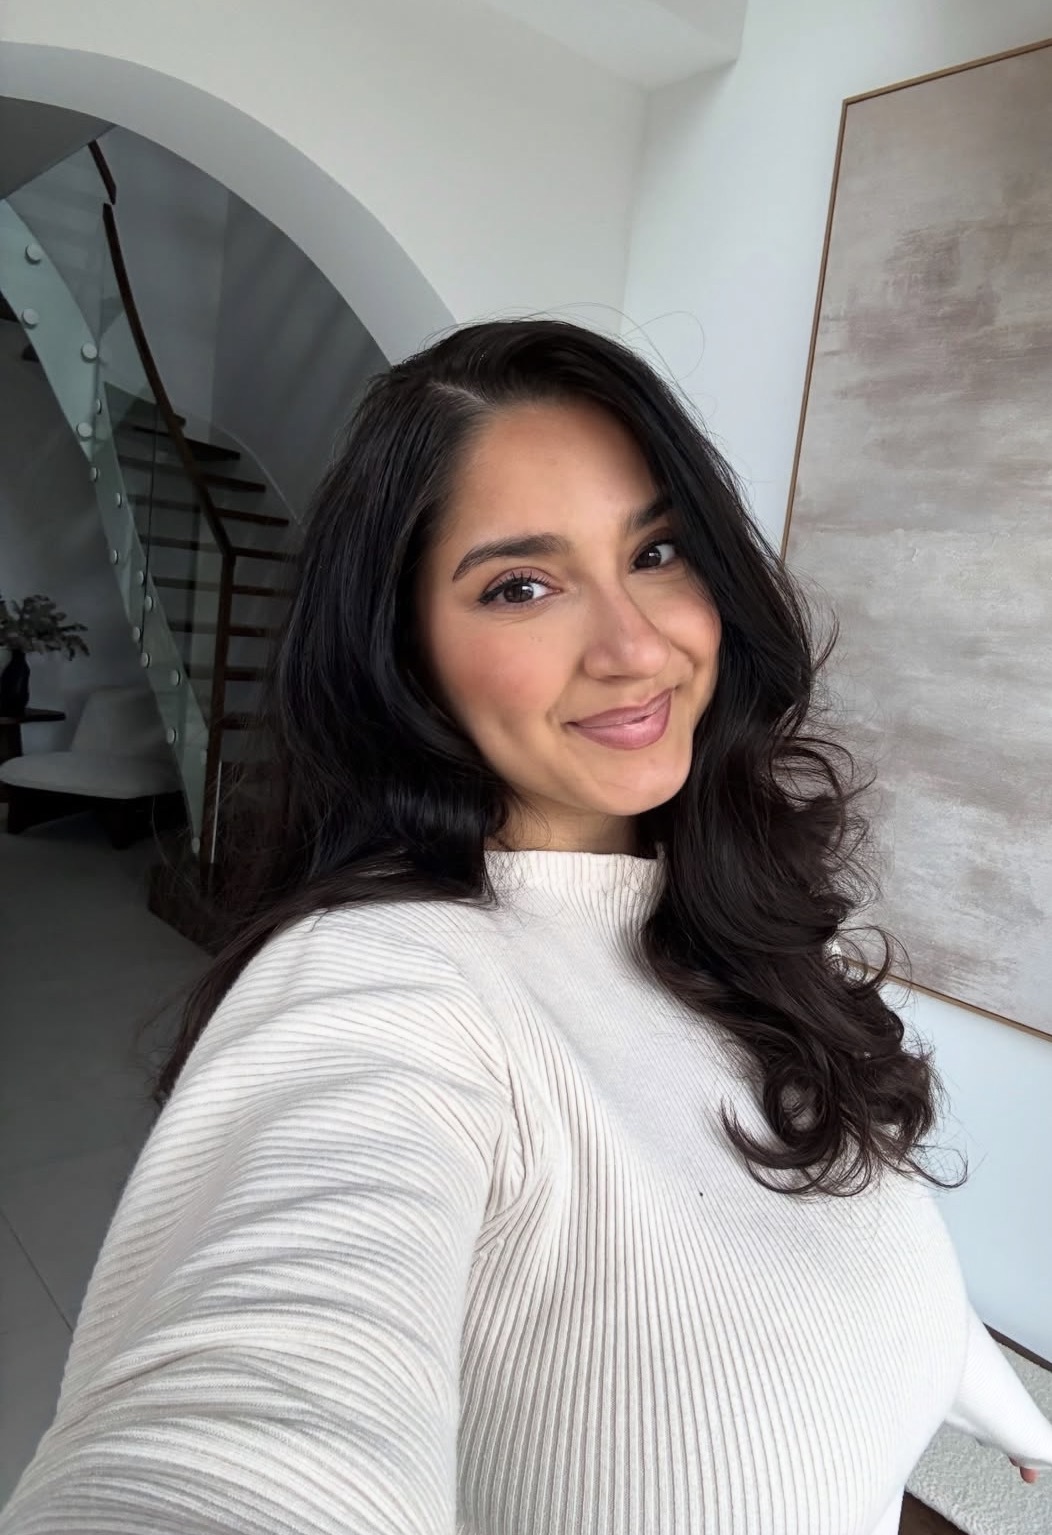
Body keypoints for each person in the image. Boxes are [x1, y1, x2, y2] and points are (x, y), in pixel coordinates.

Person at [2, 318, 1049, 1535]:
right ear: (402, 654)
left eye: (656, 549)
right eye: (520, 585)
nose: (635, 646)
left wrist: (992, 1397)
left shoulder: (714, 913)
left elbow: (829, 1227)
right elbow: (234, 1427)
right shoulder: (379, 987)